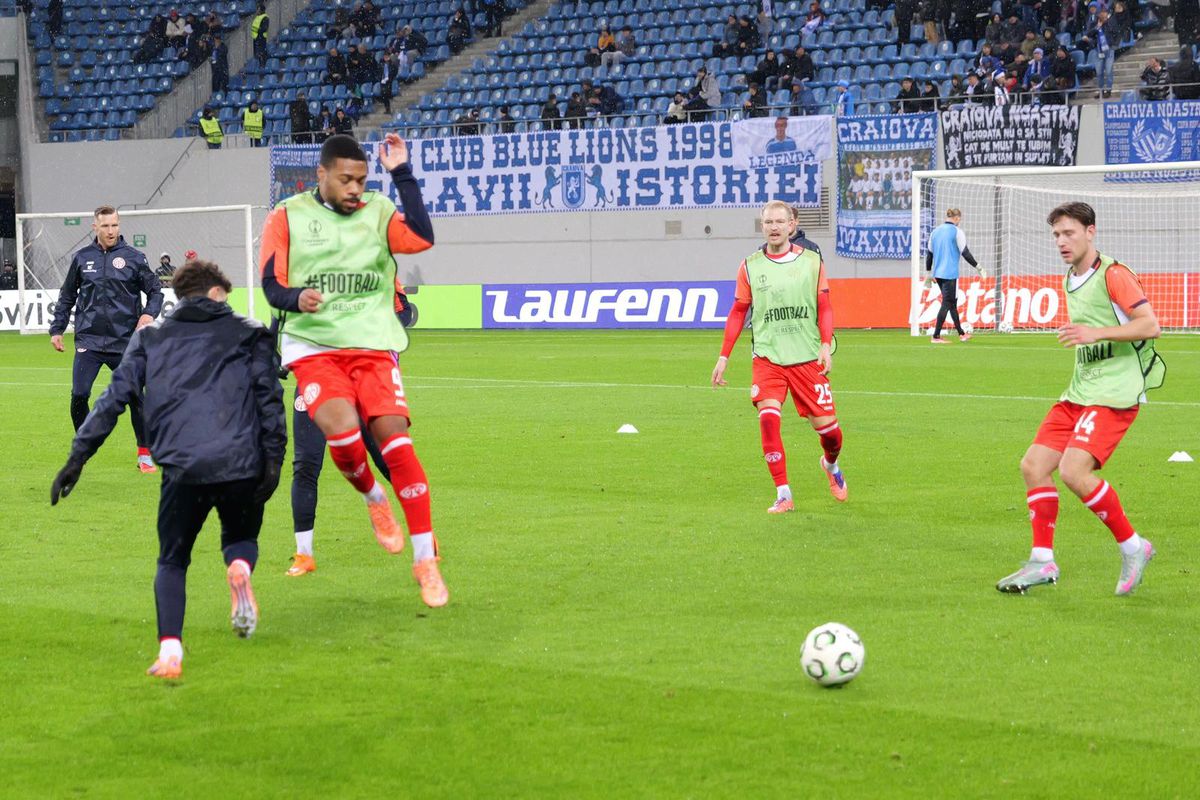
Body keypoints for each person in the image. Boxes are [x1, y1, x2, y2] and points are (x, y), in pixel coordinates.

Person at [50, 259, 286, 680]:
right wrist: (274, 461)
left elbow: (113, 399)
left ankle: (170, 653)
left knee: (173, 560)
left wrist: (77, 458)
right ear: (215, 294)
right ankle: (240, 570)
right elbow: (270, 403)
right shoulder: (250, 334)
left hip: (182, 467)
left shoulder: (152, 338)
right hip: (241, 463)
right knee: (240, 537)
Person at [258, 133, 447, 607]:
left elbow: (422, 237)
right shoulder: (286, 217)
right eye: (345, 179)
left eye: (362, 179)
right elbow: (270, 285)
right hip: (317, 346)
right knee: (341, 434)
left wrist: (401, 171)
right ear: (320, 174)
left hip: (373, 345)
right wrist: (295, 297)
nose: (355, 189)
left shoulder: (378, 210)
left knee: (396, 441)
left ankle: (425, 559)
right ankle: (373, 498)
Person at [996, 202, 1164, 596]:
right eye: (1056, 234)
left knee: (1073, 471)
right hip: (1080, 391)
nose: (1061, 241)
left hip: (1114, 393)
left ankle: (1134, 547)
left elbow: (1150, 325)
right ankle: (1042, 561)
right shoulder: (1070, 276)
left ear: (1091, 231)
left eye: (1069, 233)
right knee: (1034, 466)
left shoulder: (1114, 275)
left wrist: (1096, 332)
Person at [711, 199, 847, 513]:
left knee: (831, 434)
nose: (773, 227)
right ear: (763, 226)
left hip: (806, 357)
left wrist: (825, 345)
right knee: (769, 420)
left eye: (779, 222)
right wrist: (723, 357)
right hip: (768, 358)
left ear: (791, 226)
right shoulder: (750, 266)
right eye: (768, 222)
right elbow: (737, 312)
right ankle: (783, 493)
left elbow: (824, 306)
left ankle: (830, 466)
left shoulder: (812, 261)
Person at [283, 292, 416, 577]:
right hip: (315, 378)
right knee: (305, 464)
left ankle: (423, 536)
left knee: (385, 458)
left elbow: (404, 311)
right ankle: (303, 554)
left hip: (360, 377)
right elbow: (282, 315)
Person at [49, 205, 163, 473]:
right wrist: (57, 329)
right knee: (79, 395)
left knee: (137, 398)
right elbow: (67, 296)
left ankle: (145, 455)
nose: (111, 231)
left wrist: (148, 314)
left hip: (125, 342)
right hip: (89, 340)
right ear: (95, 227)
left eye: (115, 225)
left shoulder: (134, 258)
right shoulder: (81, 258)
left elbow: (156, 291)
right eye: (106, 226)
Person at [923, 208, 984, 343]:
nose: (959, 222)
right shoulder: (957, 232)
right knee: (947, 302)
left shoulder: (935, 232)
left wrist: (928, 273)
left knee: (951, 303)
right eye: (959, 220)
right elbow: (965, 252)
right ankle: (936, 336)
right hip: (949, 273)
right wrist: (978, 266)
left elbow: (929, 254)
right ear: (957, 218)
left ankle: (961, 334)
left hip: (938, 273)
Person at [250, 4, 269, 68]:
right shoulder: (257, 17)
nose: (257, 10)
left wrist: (258, 31)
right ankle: (259, 66)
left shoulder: (265, 17)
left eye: (258, 9)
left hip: (261, 38)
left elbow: (264, 28)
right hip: (256, 38)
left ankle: (262, 65)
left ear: (261, 10)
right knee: (257, 54)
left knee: (261, 53)